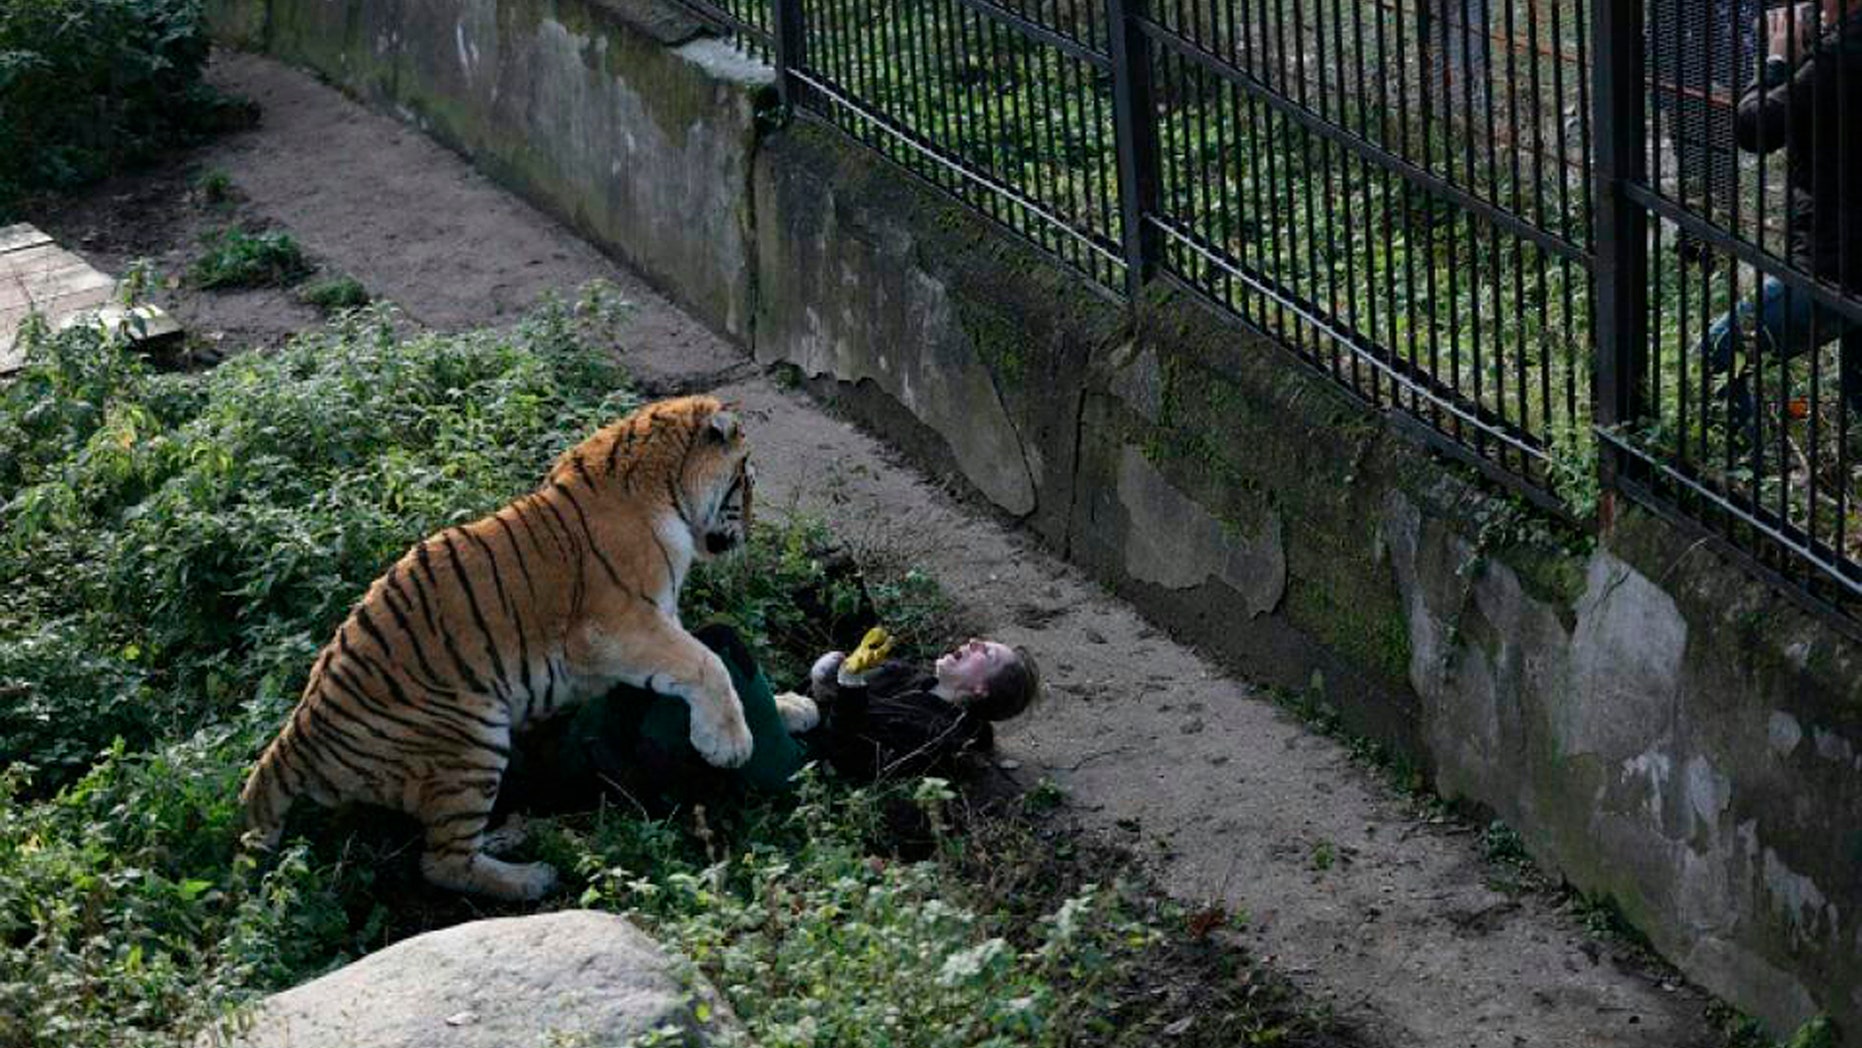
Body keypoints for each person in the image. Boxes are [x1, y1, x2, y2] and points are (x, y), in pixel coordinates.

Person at [505, 624, 1040, 814]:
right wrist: (829, 676)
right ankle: (599, 758)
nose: (969, 644)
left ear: (979, 688)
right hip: (793, 732)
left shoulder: (942, 733)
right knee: (677, 683)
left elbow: (856, 757)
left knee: (719, 648)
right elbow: (828, 700)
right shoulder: (909, 674)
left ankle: (658, 765)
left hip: (801, 773)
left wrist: (848, 692)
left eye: (982, 653)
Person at [1698, 0, 1862, 434]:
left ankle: (1740, 478)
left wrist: (1776, 59)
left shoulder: (1843, 56)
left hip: (1835, 267)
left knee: (1720, 348)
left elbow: (1755, 128)